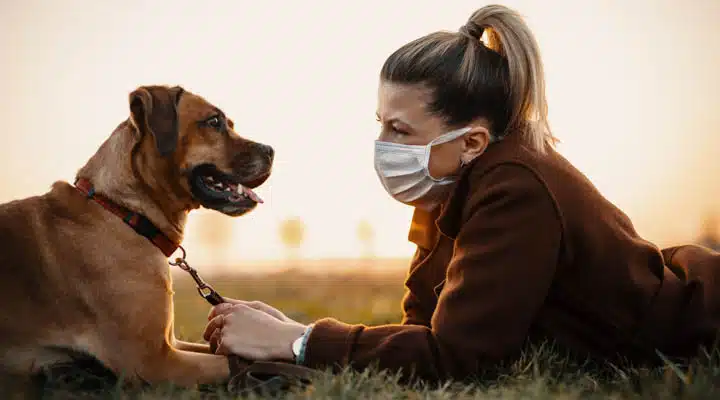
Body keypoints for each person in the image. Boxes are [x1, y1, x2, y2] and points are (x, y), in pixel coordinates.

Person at [203, 4, 720, 383]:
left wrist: (299, 341)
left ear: (471, 140)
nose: (382, 146)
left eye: (401, 131)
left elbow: (455, 358)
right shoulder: (447, 188)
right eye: (381, 124)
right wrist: (295, 332)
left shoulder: (516, 189)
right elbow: (422, 326)